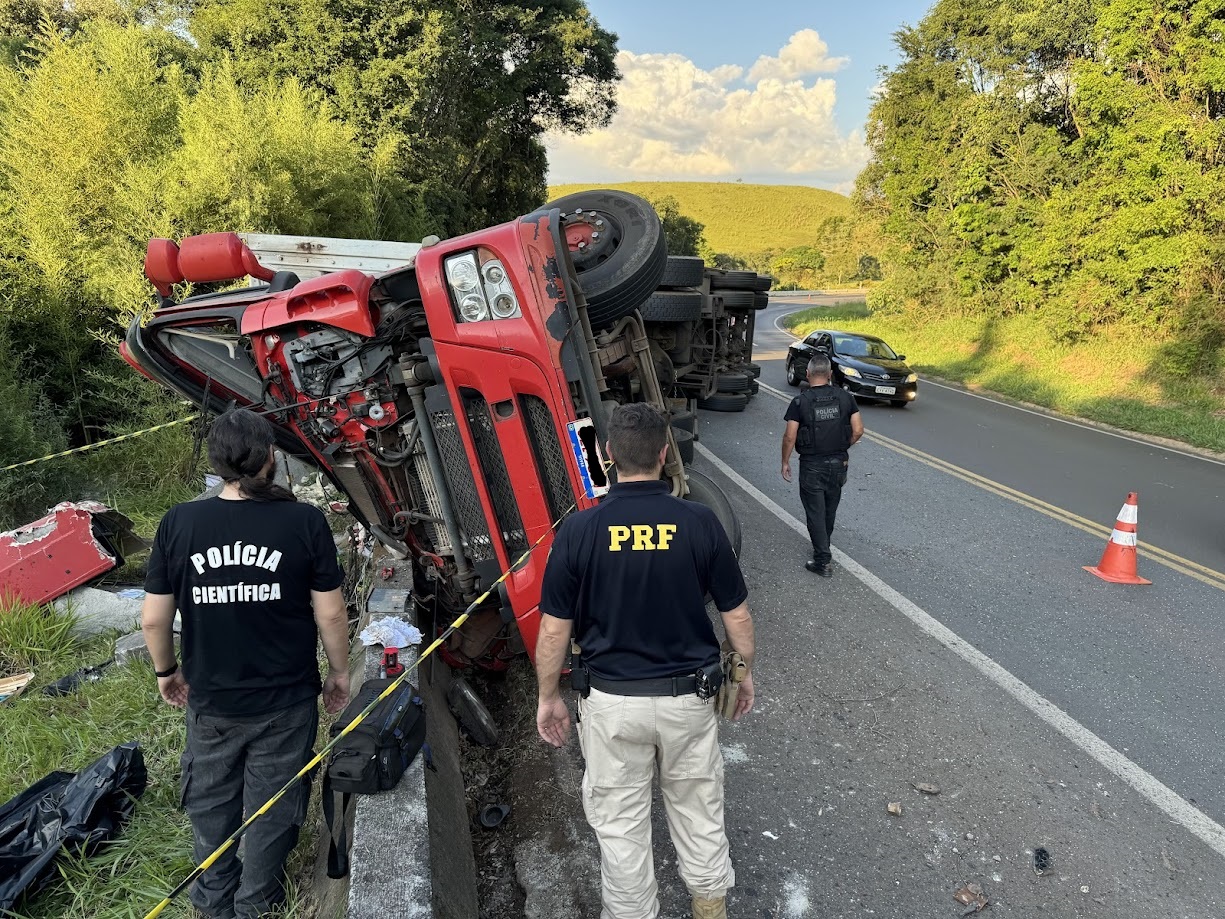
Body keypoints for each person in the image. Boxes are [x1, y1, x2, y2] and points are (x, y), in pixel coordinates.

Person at [535, 402, 755, 919]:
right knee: (698, 807)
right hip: (689, 701)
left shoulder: (579, 531)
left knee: (621, 826)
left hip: (611, 705)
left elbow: (553, 629)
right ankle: (708, 908)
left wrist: (548, 696)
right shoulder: (699, 522)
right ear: (663, 453)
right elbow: (737, 618)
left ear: (608, 455)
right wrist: (742, 677)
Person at [141, 408, 351, 919]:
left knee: (211, 804)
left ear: (216, 463)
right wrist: (340, 673)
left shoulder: (179, 523)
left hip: (211, 700)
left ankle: (213, 903)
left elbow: (153, 620)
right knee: (273, 805)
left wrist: (167, 673)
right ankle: (257, 901)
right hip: (287, 699)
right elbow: (331, 611)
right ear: (270, 458)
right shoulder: (304, 521)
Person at [780, 353, 864, 577]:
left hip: (812, 465)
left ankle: (822, 561)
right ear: (829, 375)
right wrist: (843, 446)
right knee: (829, 509)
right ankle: (823, 546)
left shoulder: (800, 402)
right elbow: (858, 430)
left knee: (815, 512)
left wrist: (785, 462)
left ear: (807, 374)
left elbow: (790, 436)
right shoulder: (845, 398)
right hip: (839, 463)